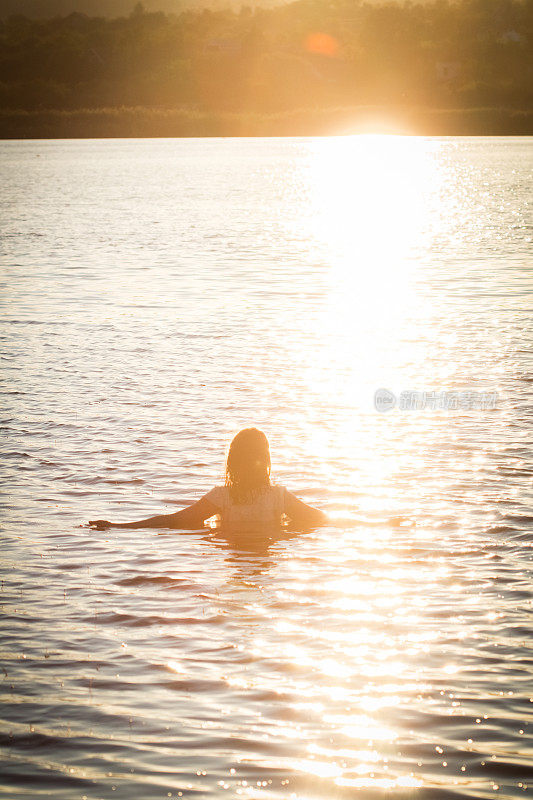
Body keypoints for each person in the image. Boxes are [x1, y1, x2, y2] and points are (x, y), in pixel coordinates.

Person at [89, 427, 327, 531]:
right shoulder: (278, 497)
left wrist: (119, 526)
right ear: (266, 461)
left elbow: (174, 520)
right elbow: (319, 519)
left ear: (232, 462)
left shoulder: (221, 497)